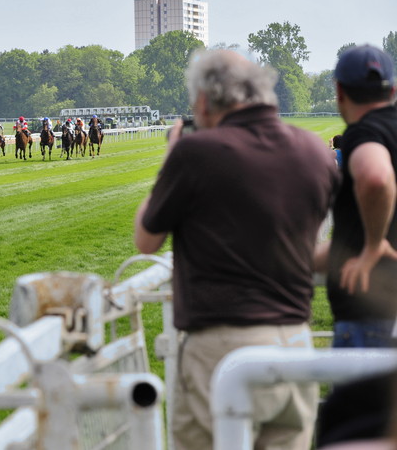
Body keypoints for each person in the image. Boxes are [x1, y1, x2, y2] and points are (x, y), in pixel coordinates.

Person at [133, 49, 339, 450]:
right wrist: (296, 260)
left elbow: (146, 239)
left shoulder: (195, 154)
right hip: (296, 341)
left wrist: (170, 158)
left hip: (220, 348)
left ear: (206, 101)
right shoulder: (314, 151)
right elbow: (356, 239)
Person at [314, 45, 397, 349]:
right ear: (393, 90)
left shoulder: (365, 133)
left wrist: (374, 244)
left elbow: (375, 176)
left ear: (339, 92)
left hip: (372, 315)